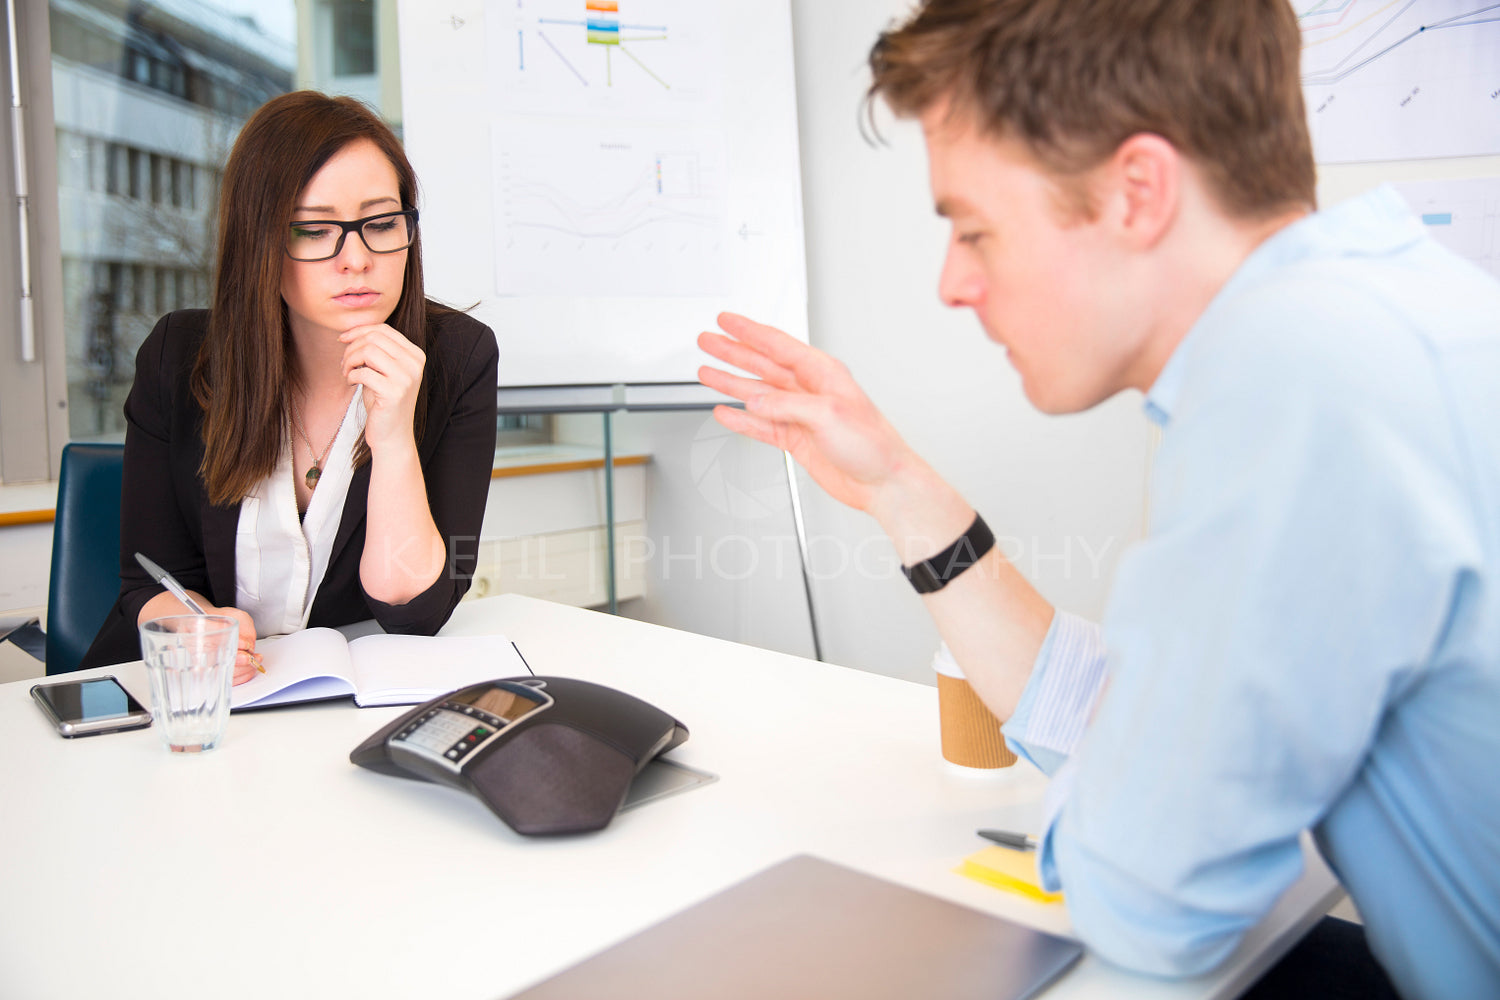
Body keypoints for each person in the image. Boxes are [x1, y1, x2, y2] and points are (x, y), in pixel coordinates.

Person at [697, 2, 1500, 997]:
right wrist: (895, 485)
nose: (953, 281)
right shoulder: (1376, 313)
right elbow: (1138, 717)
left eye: (975, 229)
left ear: (1138, 191)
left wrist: (1124, 790)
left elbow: (1150, 897)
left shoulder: (1296, 387)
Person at [82, 91, 499, 681]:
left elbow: (417, 612)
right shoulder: (178, 356)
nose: (355, 258)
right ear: (260, 242)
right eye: (314, 230)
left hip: (335, 710)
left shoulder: (458, 356)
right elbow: (146, 580)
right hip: (189, 698)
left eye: (381, 223)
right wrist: (192, 628)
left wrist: (394, 438)